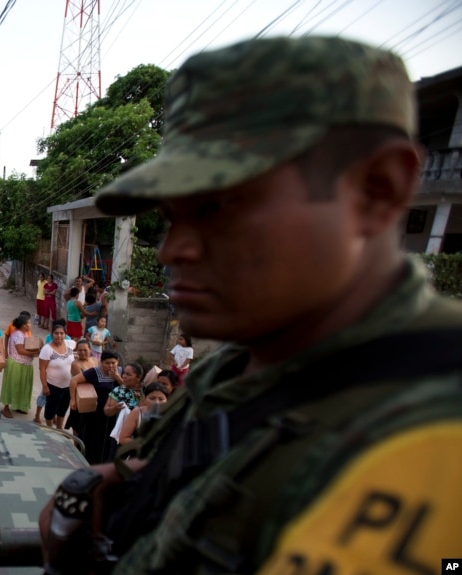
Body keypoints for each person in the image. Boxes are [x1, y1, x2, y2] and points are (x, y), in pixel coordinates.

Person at [41, 36, 462, 574]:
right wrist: (122, 482)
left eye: (218, 206)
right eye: (172, 214)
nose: (174, 250)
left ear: (377, 189)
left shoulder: (435, 431)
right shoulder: (241, 367)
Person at [68, 352, 127, 465]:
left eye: (113, 363)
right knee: (93, 440)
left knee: (109, 441)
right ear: (101, 362)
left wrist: (118, 378)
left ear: (118, 362)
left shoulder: (121, 372)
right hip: (95, 414)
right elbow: (74, 380)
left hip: (113, 413)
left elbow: (127, 388)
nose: (110, 366)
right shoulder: (94, 372)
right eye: (107, 363)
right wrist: (73, 400)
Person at [0, 314, 40, 418]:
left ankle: (19, 405)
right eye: (29, 323)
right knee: (12, 385)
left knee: (23, 386)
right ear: (23, 325)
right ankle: (6, 408)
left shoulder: (26, 334)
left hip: (25, 365)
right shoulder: (18, 335)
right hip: (16, 364)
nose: (31, 325)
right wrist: (35, 353)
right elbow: (20, 350)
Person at [39, 324, 77, 429]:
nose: (59, 336)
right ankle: (50, 431)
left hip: (68, 386)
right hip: (53, 386)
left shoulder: (70, 344)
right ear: (52, 334)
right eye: (56, 333)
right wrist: (45, 386)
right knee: (50, 410)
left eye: (61, 333)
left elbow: (80, 345)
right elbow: (42, 369)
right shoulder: (46, 350)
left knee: (63, 409)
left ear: (65, 334)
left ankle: (59, 430)